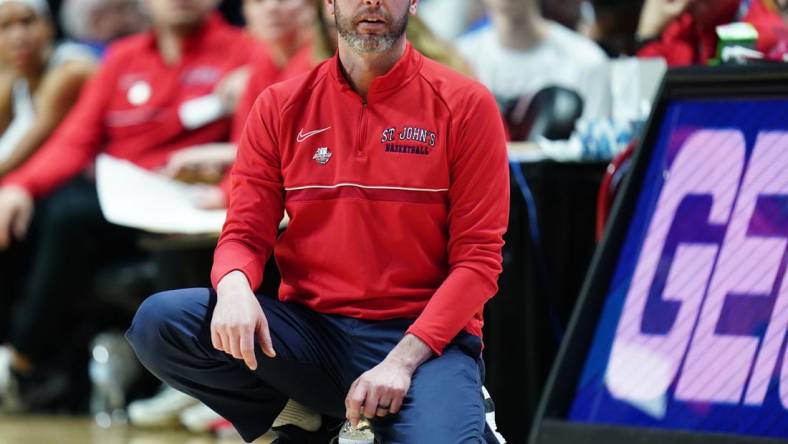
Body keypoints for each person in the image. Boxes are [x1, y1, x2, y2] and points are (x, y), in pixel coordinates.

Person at [126, 0, 509, 443]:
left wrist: (400, 362)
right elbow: (245, 234)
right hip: (314, 334)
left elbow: (478, 262)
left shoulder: (465, 103)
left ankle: (458, 412)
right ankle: (302, 415)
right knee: (161, 322)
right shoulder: (280, 104)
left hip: (423, 342)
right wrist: (233, 287)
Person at [0, 0, 252, 410]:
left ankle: (26, 357)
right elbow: (75, 140)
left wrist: (224, 186)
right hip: (122, 197)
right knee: (42, 209)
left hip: (194, 199)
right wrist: (19, 186)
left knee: (72, 215)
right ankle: (23, 359)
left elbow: (254, 145)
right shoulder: (122, 57)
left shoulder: (247, 51)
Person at [0, 0, 97, 177]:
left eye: (27, 22)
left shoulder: (70, 71)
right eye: (5, 27)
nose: (18, 36)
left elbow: (24, 156)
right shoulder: (15, 79)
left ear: (48, 26)